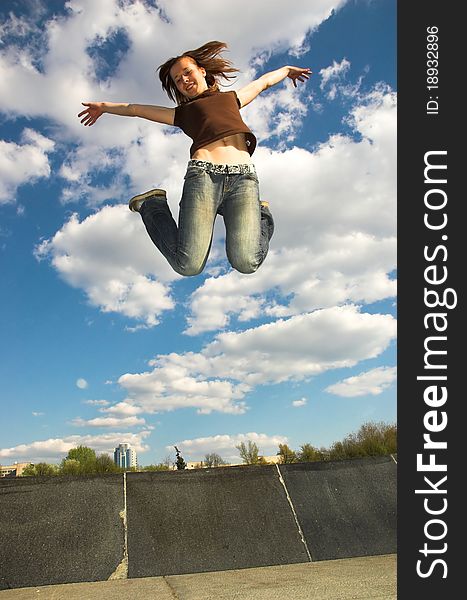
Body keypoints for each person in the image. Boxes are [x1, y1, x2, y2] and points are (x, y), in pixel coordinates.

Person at [78, 41, 311, 276]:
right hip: (203, 178)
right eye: (178, 80)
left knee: (246, 262)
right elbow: (136, 109)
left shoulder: (232, 98)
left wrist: (287, 70)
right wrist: (104, 107)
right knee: (188, 265)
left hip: (243, 180)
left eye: (187, 72)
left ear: (202, 71)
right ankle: (153, 206)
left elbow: (263, 83)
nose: (184, 80)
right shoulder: (181, 114)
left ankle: (262, 215)